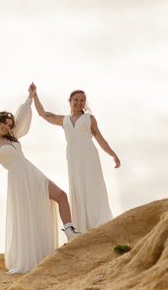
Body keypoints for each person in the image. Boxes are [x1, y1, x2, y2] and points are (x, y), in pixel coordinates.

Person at [0, 88, 80, 274]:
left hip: (31, 172)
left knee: (60, 195)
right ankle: (33, 257)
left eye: (9, 124)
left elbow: (23, 116)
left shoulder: (13, 137)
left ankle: (71, 232)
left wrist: (30, 97)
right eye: (3, 123)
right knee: (28, 214)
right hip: (17, 178)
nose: (6, 127)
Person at [30, 83, 120, 233]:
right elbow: (42, 114)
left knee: (92, 184)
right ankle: (82, 224)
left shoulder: (89, 119)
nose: (79, 102)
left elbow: (100, 139)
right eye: (76, 100)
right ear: (70, 101)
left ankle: (98, 221)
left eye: (82, 100)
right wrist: (35, 95)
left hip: (89, 156)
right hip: (73, 158)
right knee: (77, 185)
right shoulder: (63, 120)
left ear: (85, 103)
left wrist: (113, 155)